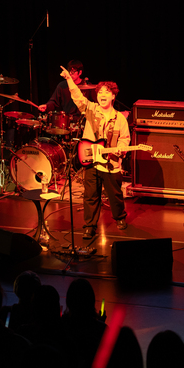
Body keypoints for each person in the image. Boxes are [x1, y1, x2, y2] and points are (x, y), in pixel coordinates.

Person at [59, 65, 129, 239]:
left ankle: (120, 217)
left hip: (111, 163)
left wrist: (121, 149)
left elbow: (125, 139)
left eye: (106, 92)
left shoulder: (120, 118)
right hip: (91, 161)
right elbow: (77, 96)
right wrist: (69, 79)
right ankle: (89, 226)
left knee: (115, 194)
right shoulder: (91, 109)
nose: (102, 95)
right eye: (100, 92)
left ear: (113, 96)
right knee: (90, 196)